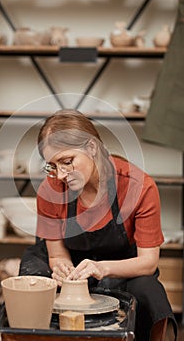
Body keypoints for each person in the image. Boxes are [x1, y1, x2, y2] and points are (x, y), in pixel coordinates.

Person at [19, 109, 177, 341]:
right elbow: (56, 253)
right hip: (73, 262)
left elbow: (148, 263)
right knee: (33, 280)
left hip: (121, 263)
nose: (60, 175)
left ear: (92, 148)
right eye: (52, 166)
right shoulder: (50, 189)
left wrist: (101, 268)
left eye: (67, 162)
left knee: (148, 291)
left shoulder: (139, 187)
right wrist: (61, 267)